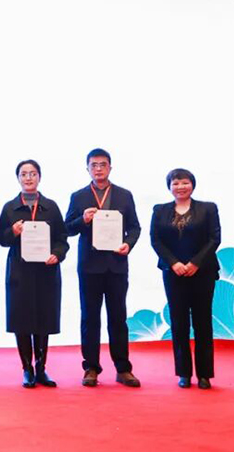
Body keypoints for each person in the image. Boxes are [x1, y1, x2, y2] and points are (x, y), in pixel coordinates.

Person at [65, 148, 142, 388]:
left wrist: (128, 244)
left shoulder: (124, 195)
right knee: (90, 318)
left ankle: (123, 368)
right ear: (87, 168)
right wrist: (83, 220)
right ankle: (91, 367)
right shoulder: (78, 196)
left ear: (110, 167)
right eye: (94, 165)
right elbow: (67, 229)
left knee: (118, 317)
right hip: (89, 266)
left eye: (103, 164)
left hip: (116, 265)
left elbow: (135, 227)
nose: (98, 169)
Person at [0, 159, 69, 389]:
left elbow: (62, 240)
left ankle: (41, 368)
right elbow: (1, 239)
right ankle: (26, 368)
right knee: (22, 320)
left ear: (39, 177)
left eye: (33, 174)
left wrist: (57, 254)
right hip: (20, 272)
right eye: (24, 174)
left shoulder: (51, 207)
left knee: (43, 319)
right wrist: (12, 231)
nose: (28, 178)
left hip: (46, 271)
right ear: (18, 178)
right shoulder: (10, 207)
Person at [150, 168, 221, 390]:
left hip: (203, 272)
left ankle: (204, 375)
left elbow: (214, 239)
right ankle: (183, 373)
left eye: (185, 182)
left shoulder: (208, 208)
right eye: (176, 183)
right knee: (179, 322)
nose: (180, 187)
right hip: (173, 273)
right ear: (169, 187)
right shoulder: (160, 210)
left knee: (203, 322)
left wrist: (195, 263)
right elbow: (156, 240)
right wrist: (174, 263)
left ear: (192, 184)